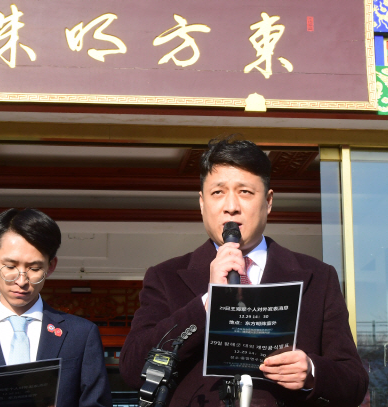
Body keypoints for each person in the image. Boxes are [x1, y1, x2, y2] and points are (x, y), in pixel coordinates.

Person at [120, 137, 369, 407]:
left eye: (245, 192)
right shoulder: (166, 277)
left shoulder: (318, 277)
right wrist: (206, 303)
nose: (231, 206)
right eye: (218, 193)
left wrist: (311, 372)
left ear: (269, 201)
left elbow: (354, 382)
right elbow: (133, 369)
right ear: (202, 203)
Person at [0, 208, 112, 407]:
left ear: (51, 266)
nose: (21, 280)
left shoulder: (81, 334)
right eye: (10, 267)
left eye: (34, 268)